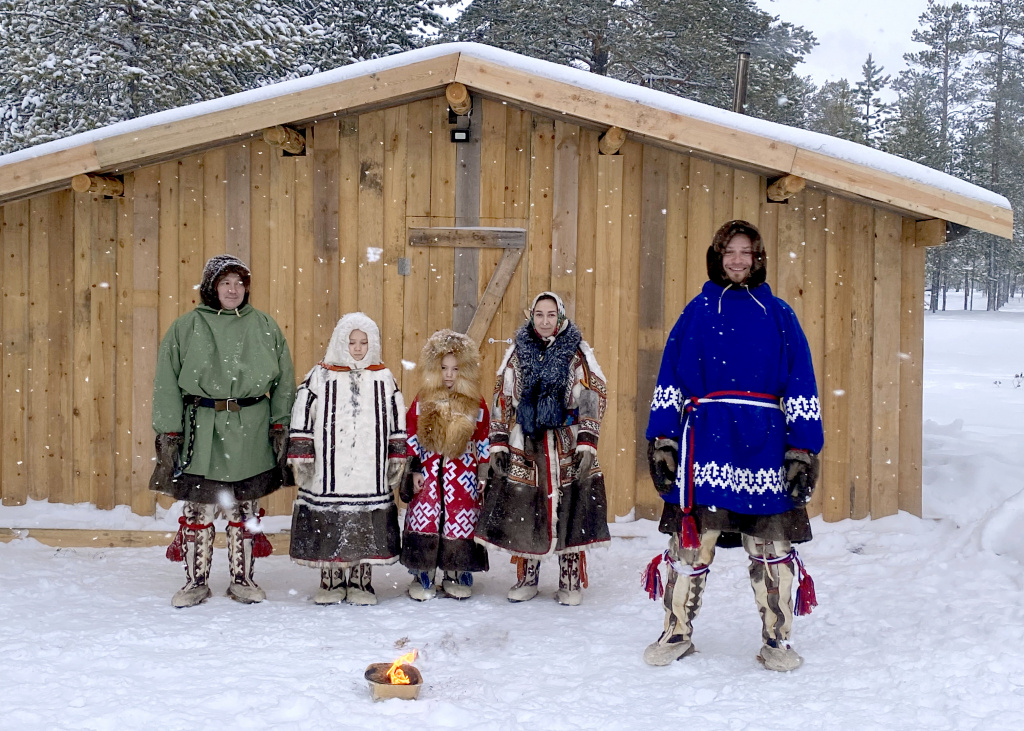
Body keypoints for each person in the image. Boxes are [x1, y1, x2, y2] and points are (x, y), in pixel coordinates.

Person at [643, 219, 824, 672]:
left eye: (746, 252)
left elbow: (801, 379)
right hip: (705, 440)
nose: (738, 260)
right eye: (730, 252)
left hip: (764, 443)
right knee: (690, 543)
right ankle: (676, 631)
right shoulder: (697, 311)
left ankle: (777, 639)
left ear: (757, 258)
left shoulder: (779, 313)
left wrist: (802, 446)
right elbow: (670, 375)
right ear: (718, 257)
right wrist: (663, 437)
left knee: (771, 547)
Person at [150, 254, 295, 608]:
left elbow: (285, 380)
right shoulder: (185, 327)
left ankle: (243, 580)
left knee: (242, 510)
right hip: (201, 425)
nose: (233, 289)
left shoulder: (264, 326)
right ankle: (195, 582)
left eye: (239, 282)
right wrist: (169, 430)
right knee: (198, 509)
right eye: (225, 282)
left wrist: (280, 423)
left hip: (250, 426)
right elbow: (167, 383)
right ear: (212, 287)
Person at [476, 291, 610, 605]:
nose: (545, 321)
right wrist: (498, 443)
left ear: (560, 317)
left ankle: (570, 580)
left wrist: (587, 442)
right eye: (539, 314)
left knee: (571, 506)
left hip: (567, 439)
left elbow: (594, 392)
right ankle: (527, 576)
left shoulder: (577, 351)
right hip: (528, 440)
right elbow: (501, 395)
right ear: (531, 316)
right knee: (525, 507)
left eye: (551, 315)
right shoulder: (518, 350)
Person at [286, 313, 406, 606]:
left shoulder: (383, 377)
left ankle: (361, 582)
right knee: (329, 522)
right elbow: (303, 412)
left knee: (364, 523)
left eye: (363, 342)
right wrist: (302, 453)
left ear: (372, 343)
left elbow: (396, 417)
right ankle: (331, 581)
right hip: (328, 472)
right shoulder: (320, 375)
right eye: (351, 342)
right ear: (341, 341)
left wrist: (396, 455)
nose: (357, 348)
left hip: (369, 470)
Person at [400, 329, 490, 601]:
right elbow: (411, 434)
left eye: (455, 368)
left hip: (463, 476)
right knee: (425, 518)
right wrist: (414, 467)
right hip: (428, 472)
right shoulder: (423, 399)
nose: (449, 374)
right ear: (433, 369)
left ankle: (457, 569)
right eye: (443, 368)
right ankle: (422, 570)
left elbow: (484, 439)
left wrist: (483, 472)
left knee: (460, 522)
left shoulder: (477, 403)